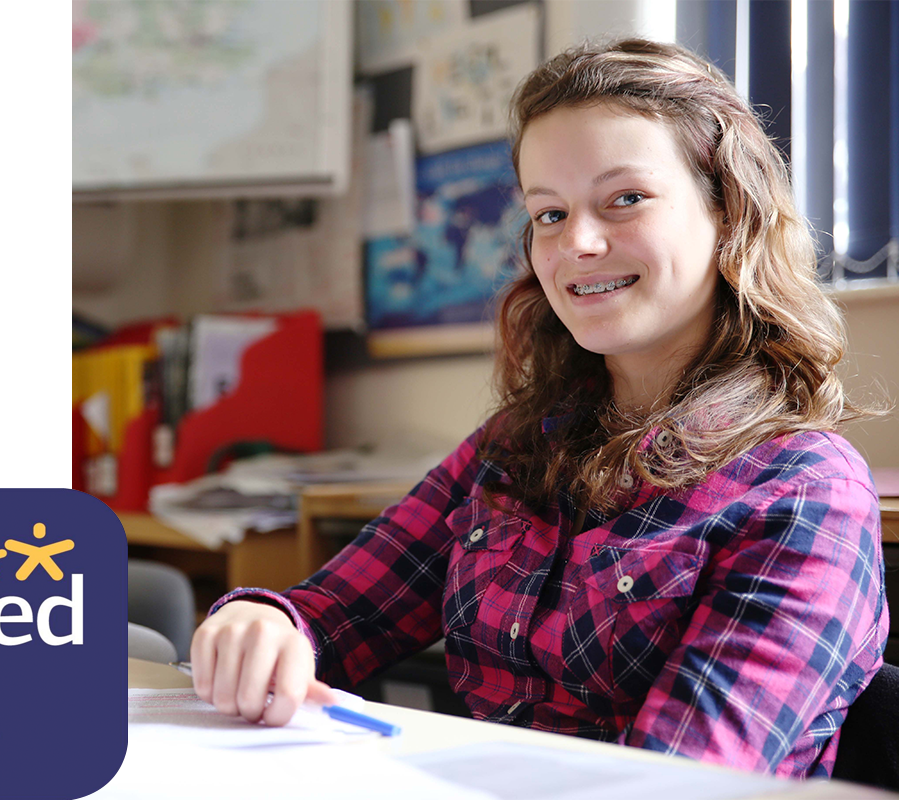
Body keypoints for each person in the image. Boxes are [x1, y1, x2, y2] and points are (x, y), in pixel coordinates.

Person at [189, 38, 890, 779]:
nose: (579, 243)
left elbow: (675, 783)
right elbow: (337, 612)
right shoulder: (518, 444)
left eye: (625, 199)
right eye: (549, 214)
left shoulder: (805, 491)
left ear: (728, 213)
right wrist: (264, 621)